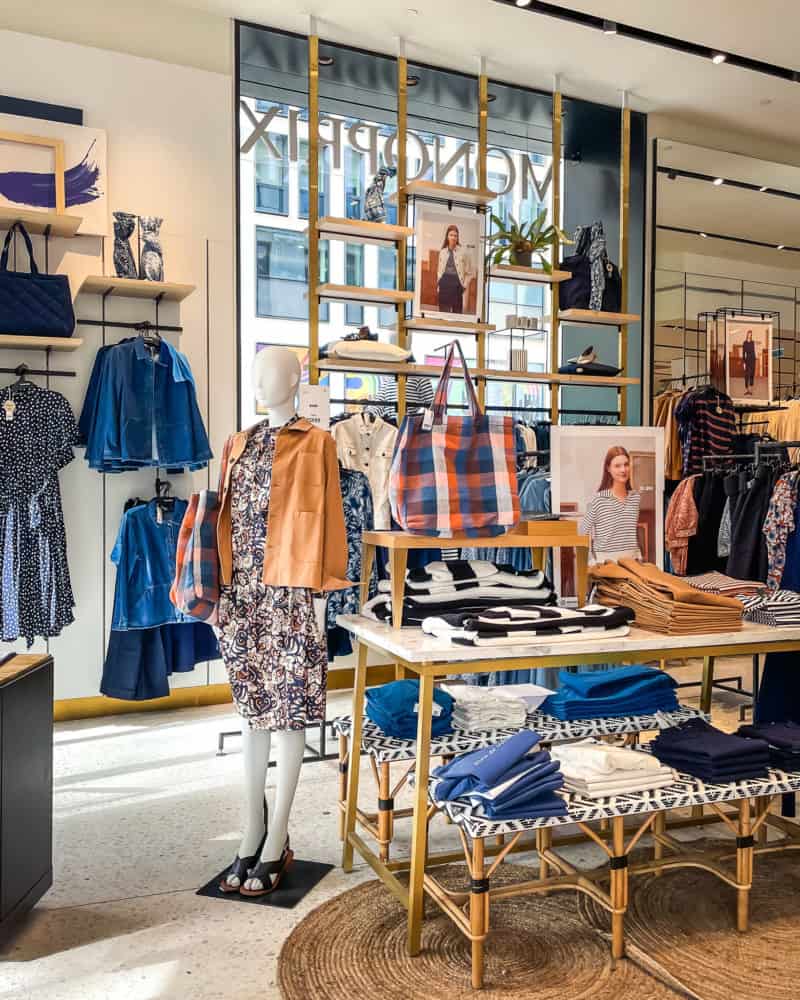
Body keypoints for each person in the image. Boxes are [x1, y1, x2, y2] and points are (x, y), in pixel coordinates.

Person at [580, 445, 642, 565]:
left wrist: (639, 556)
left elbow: (631, 533)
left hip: (633, 564)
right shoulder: (598, 500)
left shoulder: (635, 498)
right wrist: (591, 561)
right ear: (608, 468)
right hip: (606, 565)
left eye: (626, 464)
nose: (623, 470)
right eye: (617, 466)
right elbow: (582, 532)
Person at [436, 224, 473, 313]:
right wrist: (439, 285)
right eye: (451, 235)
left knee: (457, 313)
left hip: (457, 284)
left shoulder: (464, 252)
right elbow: (439, 270)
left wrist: (464, 286)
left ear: (458, 237)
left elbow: (469, 273)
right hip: (444, 283)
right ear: (447, 237)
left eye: (455, 236)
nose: (453, 238)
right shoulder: (442, 252)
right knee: (443, 312)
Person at [742, 329, 757, 396]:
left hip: (753, 359)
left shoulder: (752, 342)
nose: (749, 335)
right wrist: (744, 362)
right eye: (748, 334)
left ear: (751, 336)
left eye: (750, 335)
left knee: (751, 375)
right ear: (747, 335)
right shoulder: (744, 343)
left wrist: (755, 360)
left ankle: (750, 390)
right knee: (746, 375)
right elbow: (743, 353)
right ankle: (746, 389)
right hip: (747, 359)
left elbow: (753, 351)